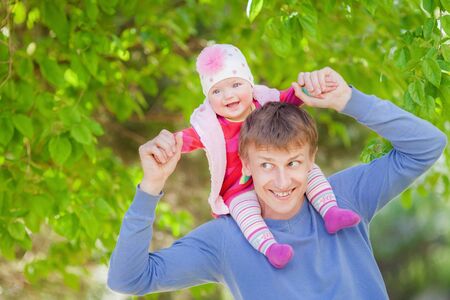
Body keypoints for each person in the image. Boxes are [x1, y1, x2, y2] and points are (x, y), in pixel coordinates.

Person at [107, 67, 447, 299]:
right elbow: (129, 278)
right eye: (267, 165)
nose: (282, 181)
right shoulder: (227, 238)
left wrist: (348, 100)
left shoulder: (345, 196)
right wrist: (150, 187)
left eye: (294, 163)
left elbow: (426, 146)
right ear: (247, 165)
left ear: (312, 160)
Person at [154, 44, 360, 268]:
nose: (228, 95)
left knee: (310, 171)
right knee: (245, 211)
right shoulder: (211, 128)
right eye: (217, 91)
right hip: (238, 186)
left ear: (249, 84)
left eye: (235, 84)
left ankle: (330, 211)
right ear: (208, 98)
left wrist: (311, 88)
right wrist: (165, 144)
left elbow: (292, 97)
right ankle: (271, 248)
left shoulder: (266, 103)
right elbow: (183, 140)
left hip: (275, 170)